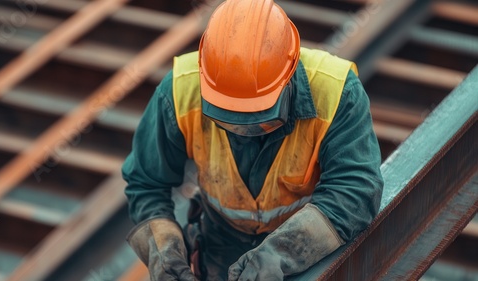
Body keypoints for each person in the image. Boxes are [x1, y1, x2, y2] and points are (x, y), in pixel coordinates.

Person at [122, 0, 383, 280]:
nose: (243, 133)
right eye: (228, 122)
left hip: (309, 239)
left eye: (261, 121)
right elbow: (147, 183)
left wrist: (281, 252)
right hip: (220, 239)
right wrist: (162, 248)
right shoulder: (178, 91)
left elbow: (355, 189)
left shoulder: (336, 92)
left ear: (289, 78)